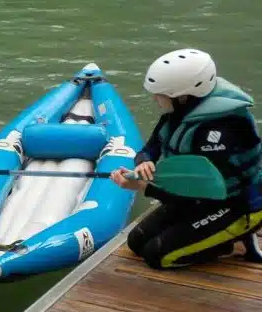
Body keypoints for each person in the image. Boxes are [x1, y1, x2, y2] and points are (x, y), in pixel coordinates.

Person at [110, 48, 262, 268]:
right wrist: (143, 162)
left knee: (159, 256)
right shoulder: (179, 114)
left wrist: (144, 187)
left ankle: (228, 240)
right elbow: (151, 147)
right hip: (198, 198)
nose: (155, 99)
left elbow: (205, 191)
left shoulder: (219, 132)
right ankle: (212, 237)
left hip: (235, 204)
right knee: (137, 242)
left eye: (160, 94)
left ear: (182, 96)